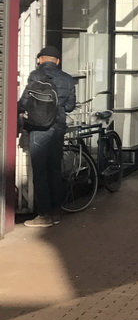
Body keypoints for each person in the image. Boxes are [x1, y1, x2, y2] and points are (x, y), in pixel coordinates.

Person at [18, 45, 76, 227]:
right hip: (58, 127)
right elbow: (70, 106)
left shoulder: (36, 75)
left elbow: (25, 101)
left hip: (40, 128)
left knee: (40, 172)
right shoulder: (68, 79)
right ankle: (56, 212)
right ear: (57, 61)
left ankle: (44, 215)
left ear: (40, 59)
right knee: (54, 170)